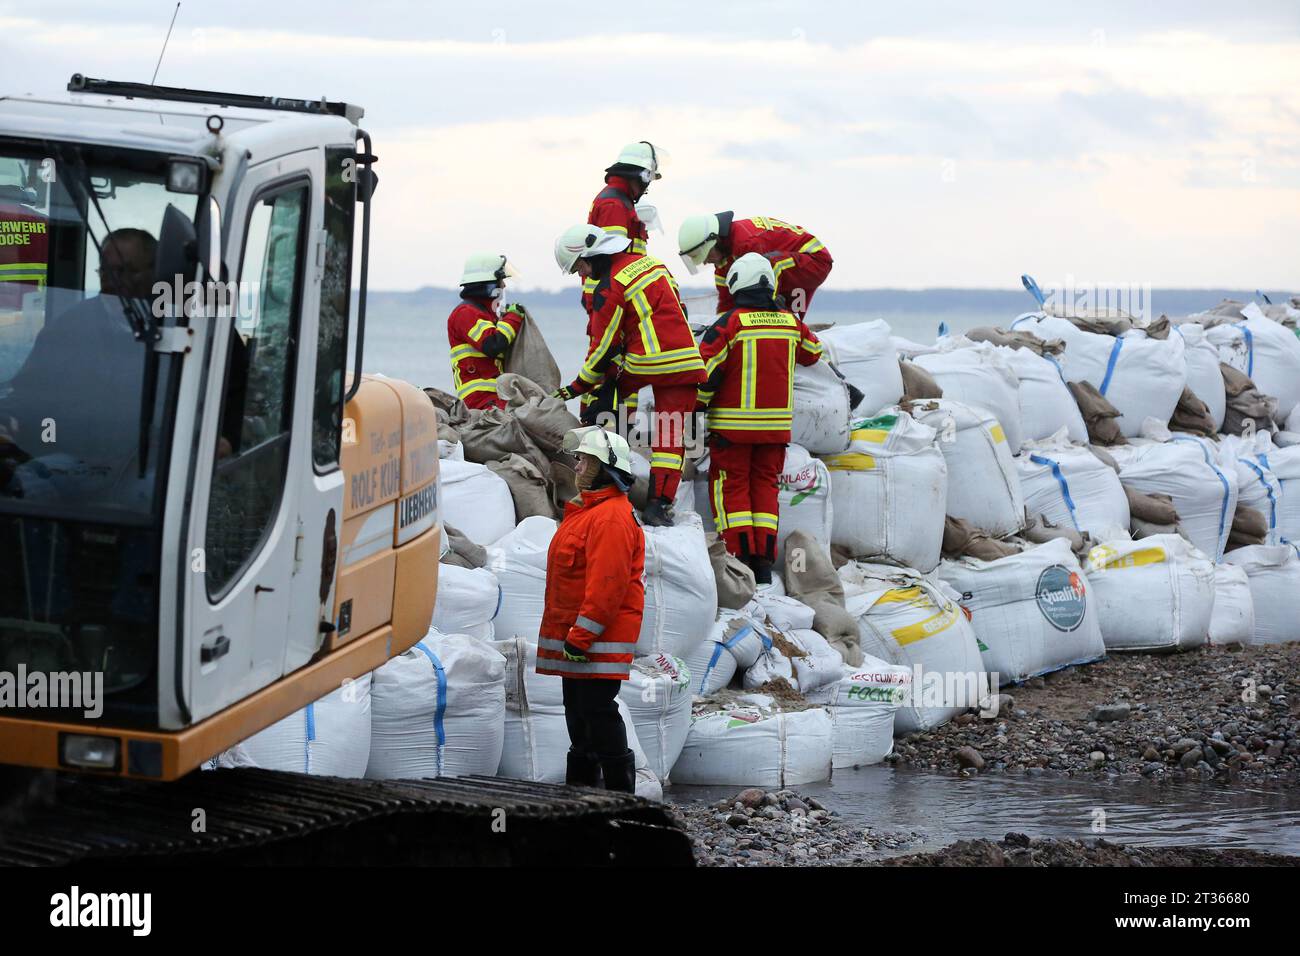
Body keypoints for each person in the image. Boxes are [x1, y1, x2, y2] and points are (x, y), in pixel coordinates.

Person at [552, 224, 705, 527]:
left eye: (580, 266)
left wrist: (575, 388)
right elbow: (680, 311)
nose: (583, 273)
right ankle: (659, 506)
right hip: (687, 362)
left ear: (591, 253)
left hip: (646, 363)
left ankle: (605, 483)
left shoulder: (610, 287)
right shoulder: (655, 265)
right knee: (670, 437)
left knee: (605, 410)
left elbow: (603, 346)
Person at [696, 253, 824, 584]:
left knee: (731, 492)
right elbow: (814, 352)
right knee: (766, 492)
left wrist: (696, 406)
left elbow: (704, 371)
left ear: (738, 284)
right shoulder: (790, 322)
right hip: (775, 431)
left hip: (733, 429)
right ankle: (764, 566)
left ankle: (739, 565)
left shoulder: (730, 324)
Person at [536, 424, 644, 792]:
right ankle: (581, 797)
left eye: (583, 461)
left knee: (597, 712)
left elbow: (607, 589)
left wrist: (580, 638)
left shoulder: (611, 518)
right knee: (579, 716)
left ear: (604, 467)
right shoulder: (586, 512)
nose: (577, 467)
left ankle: (619, 797)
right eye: (578, 460)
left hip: (593, 641)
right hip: (578, 641)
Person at [677, 212, 832, 319]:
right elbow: (726, 301)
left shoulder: (746, 245)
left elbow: (762, 283)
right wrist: (721, 328)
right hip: (792, 268)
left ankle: (774, 322)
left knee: (763, 270)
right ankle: (790, 323)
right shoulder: (725, 261)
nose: (705, 262)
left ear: (715, 241)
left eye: (706, 255)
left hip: (815, 261)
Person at [580, 141, 667, 311]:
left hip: (613, 297)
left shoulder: (618, 201)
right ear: (642, 176)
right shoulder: (615, 205)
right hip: (611, 301)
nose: (648, 186)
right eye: (648, 178)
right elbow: (610, 260)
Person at [445, 253, 528, 410]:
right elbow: (492, 344)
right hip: (482, 403)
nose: (504, 286)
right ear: (489, 285)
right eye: (501, 280)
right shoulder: (465, 313)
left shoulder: (485, 316)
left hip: (495, 399)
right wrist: (513, 317)